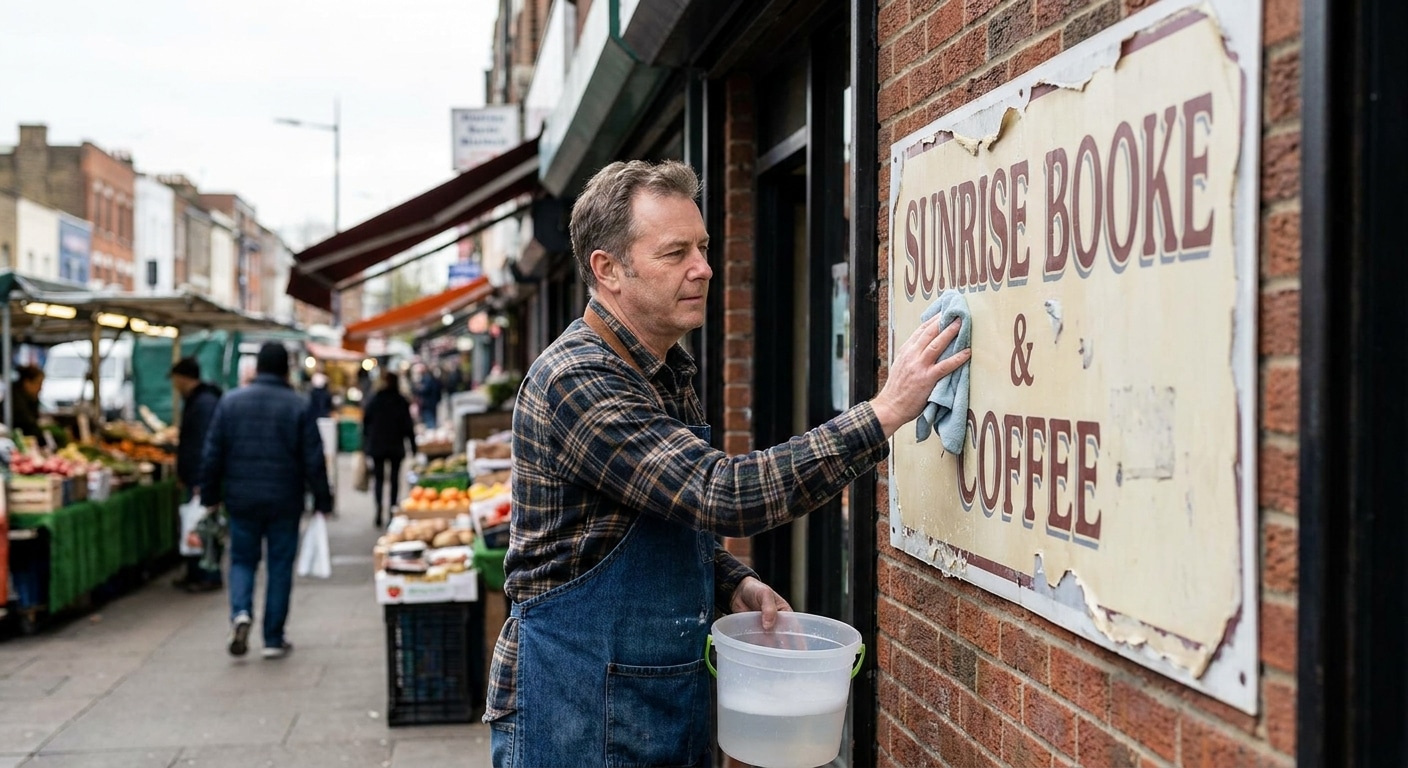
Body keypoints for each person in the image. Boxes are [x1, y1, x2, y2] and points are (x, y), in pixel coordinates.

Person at [484, 160, 970, 766]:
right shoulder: (577, 379)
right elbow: (721, 493)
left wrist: (728, 579)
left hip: (652, 702)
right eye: (675, 253)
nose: (703, 268)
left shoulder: (661, 368)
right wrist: (884, 413)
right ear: (608, 270)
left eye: (704, 246)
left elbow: (653, 515)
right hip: (575, 712)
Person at [200, 342, 332, 660]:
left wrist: (209, 495)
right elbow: (314, 458)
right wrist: (323, 500)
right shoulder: (298, 406)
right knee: (279, 565)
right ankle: (273, 638)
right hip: (285, 499)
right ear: (286, 368)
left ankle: (241, 612)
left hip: (241, 499)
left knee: (243, 560)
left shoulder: (231, 403)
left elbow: (212, 453)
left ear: (256, 367)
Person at [169, 357, 224, 593]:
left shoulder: (203, 403)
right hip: (196, 476)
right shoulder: (200, 401)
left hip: (200, 478)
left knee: (203, 526)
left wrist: (202, 478)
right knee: (195, 525)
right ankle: (195, 571)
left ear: (182, 378)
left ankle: (208, 574)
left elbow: (202, 444)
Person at [360, 371, 415, 528]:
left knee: (378, 479)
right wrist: (413, 446)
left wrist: (365, 444)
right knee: (394, 480)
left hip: (377, 445)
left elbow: (365, 423)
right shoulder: (400, 401)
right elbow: (408, 426)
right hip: (395, 445)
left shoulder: (375, 400)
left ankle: (378, 510)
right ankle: (391, 511)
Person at [8, 364, 44, 443]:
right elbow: (29, 424)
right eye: (38, 383)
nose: (41, 388)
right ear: (27, 383)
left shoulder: (28, 399)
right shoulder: (16, 401)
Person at [413, 364, 442, 429]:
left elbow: (424, 390)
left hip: (428, 403)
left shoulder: (427, 379)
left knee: (430, 420)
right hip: (429, 403)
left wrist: (418, 388)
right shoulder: (427, 379)